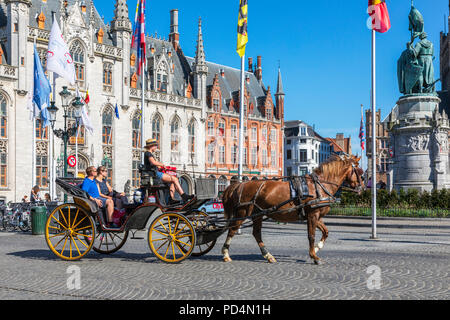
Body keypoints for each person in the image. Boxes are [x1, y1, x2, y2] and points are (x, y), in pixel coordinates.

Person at [144, 138, 194, 205]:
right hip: (154, 174)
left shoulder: (148, 154)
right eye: (155, 145)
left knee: (173, 182)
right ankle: (183, 195)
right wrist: (162, 164)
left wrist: (162, 167)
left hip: (154, 173)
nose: (156, 147)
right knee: (175, 179)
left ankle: (171, 198)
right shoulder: (148, 153)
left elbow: (153, 165)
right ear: (151, 146)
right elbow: (153, 162)